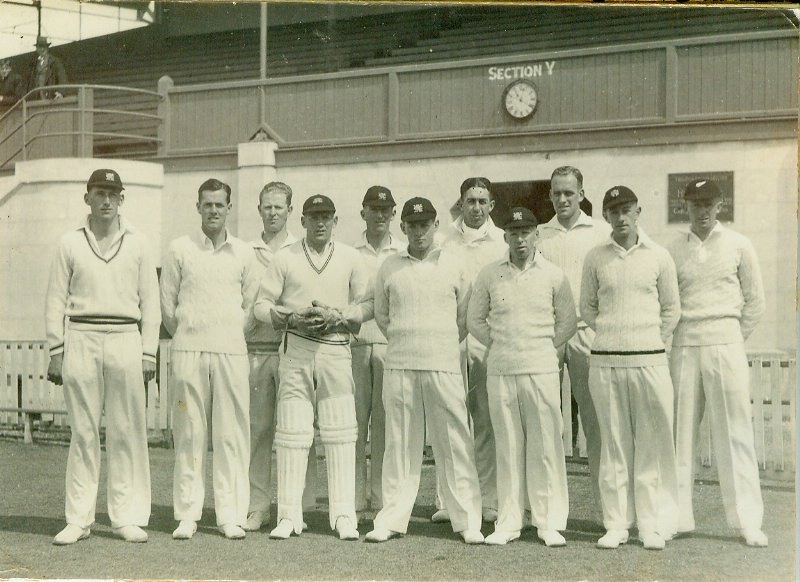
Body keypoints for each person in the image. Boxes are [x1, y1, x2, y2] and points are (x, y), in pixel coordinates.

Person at [45, 168, 159, 545]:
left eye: (112, 194)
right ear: (87, 198)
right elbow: (55, 300)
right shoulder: (69, 243)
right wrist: (56, 350)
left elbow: (151, 302)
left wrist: (148, 352)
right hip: (81, 335)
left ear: (121, 199)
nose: (106, 200)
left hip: (126, 336)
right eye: (99, 193)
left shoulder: (139, 243)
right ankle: (78, 519)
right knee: (83, 431)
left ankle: (125, 517)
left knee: (126, 430)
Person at [366, 197, 484, 545]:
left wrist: (440, 343)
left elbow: (464, 317)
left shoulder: (455, 264)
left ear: (436, 225)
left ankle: (467, 520)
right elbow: (383, 315)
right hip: (400, 364)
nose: (419, 232)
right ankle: (391, 518)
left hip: (442, 364)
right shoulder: (389, 266)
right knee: (400, 443)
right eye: (412, 225)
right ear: (402, 227)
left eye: (425, 225)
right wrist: (406, 341)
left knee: (454, 442)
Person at [253, 194, 371, 541]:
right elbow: (261, 305)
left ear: (335, 221)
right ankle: (289, 515)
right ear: (302, 220)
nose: (320, 223)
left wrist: (340, 315)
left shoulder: (350, 257)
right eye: (314, 217)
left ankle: (344, 515)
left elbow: (367, 304)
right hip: (296, 348)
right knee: (292, 432)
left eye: (326, 217)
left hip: (335, 347)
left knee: (340, 432)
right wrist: (291, 317)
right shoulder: (285, 257)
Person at [667, 178, 768, 547]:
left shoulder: (740, 244)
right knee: (679, 434)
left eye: (709, 204)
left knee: (735, 433)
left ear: (720, 205)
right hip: (684, 343)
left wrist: (730, 338)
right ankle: (677, 517)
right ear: (686, 207)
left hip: (726, 341)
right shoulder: (672, 250)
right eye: (696, 204)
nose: (703, 211)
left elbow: (755, 302)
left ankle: (747, 521)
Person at [468, 207, 577, 546]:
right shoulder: (490, 274)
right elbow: (474, 320)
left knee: (545, 445)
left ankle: (548, 521)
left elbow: (568, 322)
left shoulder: (554, 275)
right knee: (508, 446)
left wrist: (542, 347)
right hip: (502, 370)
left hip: (541, 370)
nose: (520, 240)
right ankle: (510, 521)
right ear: (505, 237)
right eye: (513, 233)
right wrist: (501, 344)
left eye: (526, 232)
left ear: (536, 235)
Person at [580, 185, 681, 551]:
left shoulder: (659, 256)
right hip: (606, 361)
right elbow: (587, 308)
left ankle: (650, 524)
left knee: (651, 445)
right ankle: (617, 523)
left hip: (649, 361)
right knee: (614, 445)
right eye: (613, 211)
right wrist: (613, 335)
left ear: (638, 212)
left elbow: (671, 309)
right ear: (605, 215)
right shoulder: (595, 257)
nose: (620, 217)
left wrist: (649, 339)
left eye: (626, 209)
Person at [160, 178, 255, 541]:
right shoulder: (179, 249)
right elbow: (168, 308)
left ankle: (230, 515)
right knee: (189, 433)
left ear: (229, 208)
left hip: (231, 351)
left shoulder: (244, 253)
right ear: (197, 207)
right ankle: (187, 514)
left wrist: (227, 333)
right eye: (207, 204)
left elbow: (250, 308)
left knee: (231, 436)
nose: (213, 210)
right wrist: (192, 333)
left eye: (219, 204)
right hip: (189, 351)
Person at [243, 181, 318, 532]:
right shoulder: (246, 251)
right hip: (256, 352)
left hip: (295, 351)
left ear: (290, 210)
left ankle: (300, 506)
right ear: (259, 209)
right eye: (267, 207)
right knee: (258, 432)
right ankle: (257, 506)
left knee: (299, 430)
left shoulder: (302, 249)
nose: (273, 213)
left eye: (279, 207)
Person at [537, 166, 611, 517]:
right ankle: (545, 511)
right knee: (543, 420)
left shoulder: (601, 232)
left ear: (581, 194)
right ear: (550, 195)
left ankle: (610, 511)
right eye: (557, 193)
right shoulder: (539, 234)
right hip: (548, 336)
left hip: (586, 333)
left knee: (597, 422)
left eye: (569, 192)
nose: (563, 199)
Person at [437, 176, 506, 523]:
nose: (476, 208)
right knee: (449, 417)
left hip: (484, 338)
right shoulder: (443, 240)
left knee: (485, 419)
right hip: (448, 337)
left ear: (491, 205)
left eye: (482, 201)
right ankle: (448, 500)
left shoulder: (502, 242)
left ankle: (489, 499)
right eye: (470, 201)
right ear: (460, 203)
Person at [351, 185, 405, 520]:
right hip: (356, 345)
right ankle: (356, 497)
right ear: (363, 213)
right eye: (374, 209)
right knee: (356, 424)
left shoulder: (402, 252)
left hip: (389, 345)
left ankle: (382, 497)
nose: (380, 215)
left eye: (386, 210)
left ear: (394, 214)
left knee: (385, 423)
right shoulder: (349, 252)